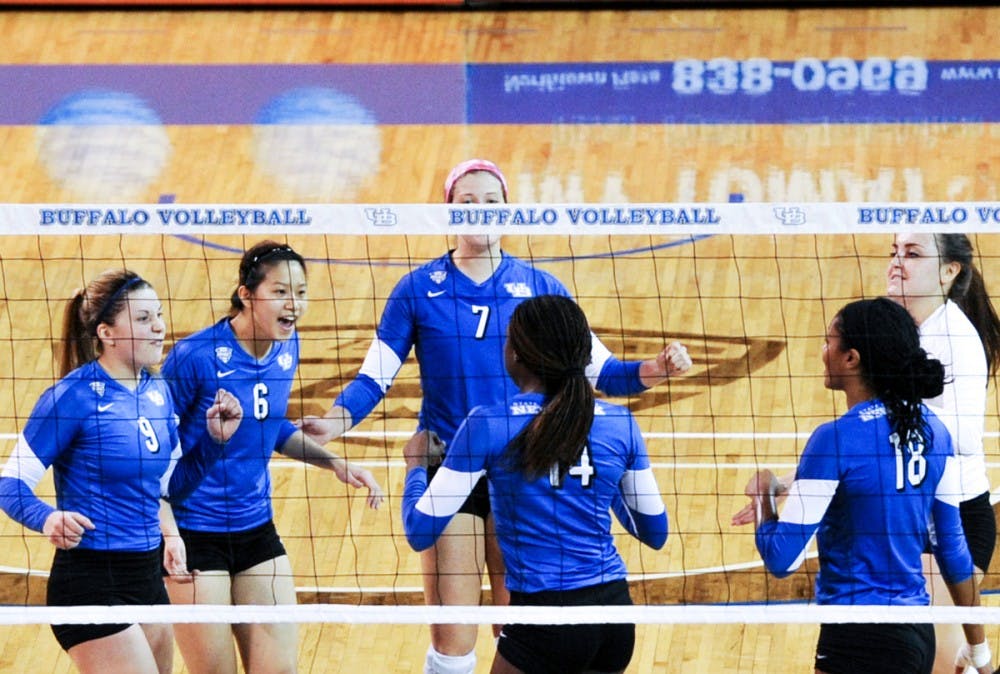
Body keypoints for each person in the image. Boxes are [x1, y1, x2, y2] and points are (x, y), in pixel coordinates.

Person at [300, 159, 692, 674]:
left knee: (519, 628)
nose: (480, 211)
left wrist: (655, 369)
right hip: (452, 468)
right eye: (467, 202)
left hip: (525, 468)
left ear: (509, 212)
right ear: (448, 212)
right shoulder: (418, 290)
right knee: (454, 634)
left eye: (492, 202)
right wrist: (335, 421)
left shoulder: (540, 286)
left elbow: (601, 372)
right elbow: (375, 377)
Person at [402, 294, 669, 674]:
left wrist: (415, 466)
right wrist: (598, 490)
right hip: (613, 617)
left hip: (545, 623)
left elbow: (420, 530)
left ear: (516, 354)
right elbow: (655, 532)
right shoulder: (620, 423)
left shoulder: (490, 424)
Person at [0, 269, 243, 674]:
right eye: (144, 318)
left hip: (146, 575)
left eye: (159, 315)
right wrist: (47, 518)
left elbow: (169, 490)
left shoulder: (158, 392)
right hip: (91, 580)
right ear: (106, 333)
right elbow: (9, 485)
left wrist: (214, 443)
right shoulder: (70, 398)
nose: (160, 327)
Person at [161, 241, 384, 674]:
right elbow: (151, 451)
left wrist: (334, 462)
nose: (294, 304)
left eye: (300, 292)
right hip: (193, 535)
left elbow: (270, 424)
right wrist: (167, 532)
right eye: (281, 291)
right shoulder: (195, 358)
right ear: (246, 294)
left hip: (255, 528)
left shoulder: (287, 346)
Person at [739, 297, 993, 674]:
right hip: (916, 636)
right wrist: (981, 650)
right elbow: (953, 552)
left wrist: (763, 492)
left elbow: (782, 558)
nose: (823, 351)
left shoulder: (835, 440)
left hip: (857, 639)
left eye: (829, 341)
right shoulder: (936, 434)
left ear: (851, 358)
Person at [887, 232, 1000, 674]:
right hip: (905, 515)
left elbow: (966, 439)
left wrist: (898, 428)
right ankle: (976, 658)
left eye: (912, 254)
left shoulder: (955, 341)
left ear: (949, 272)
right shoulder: (894, 328)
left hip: (954, 522)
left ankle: (978, 658)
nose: (897, 262)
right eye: (894, 252)